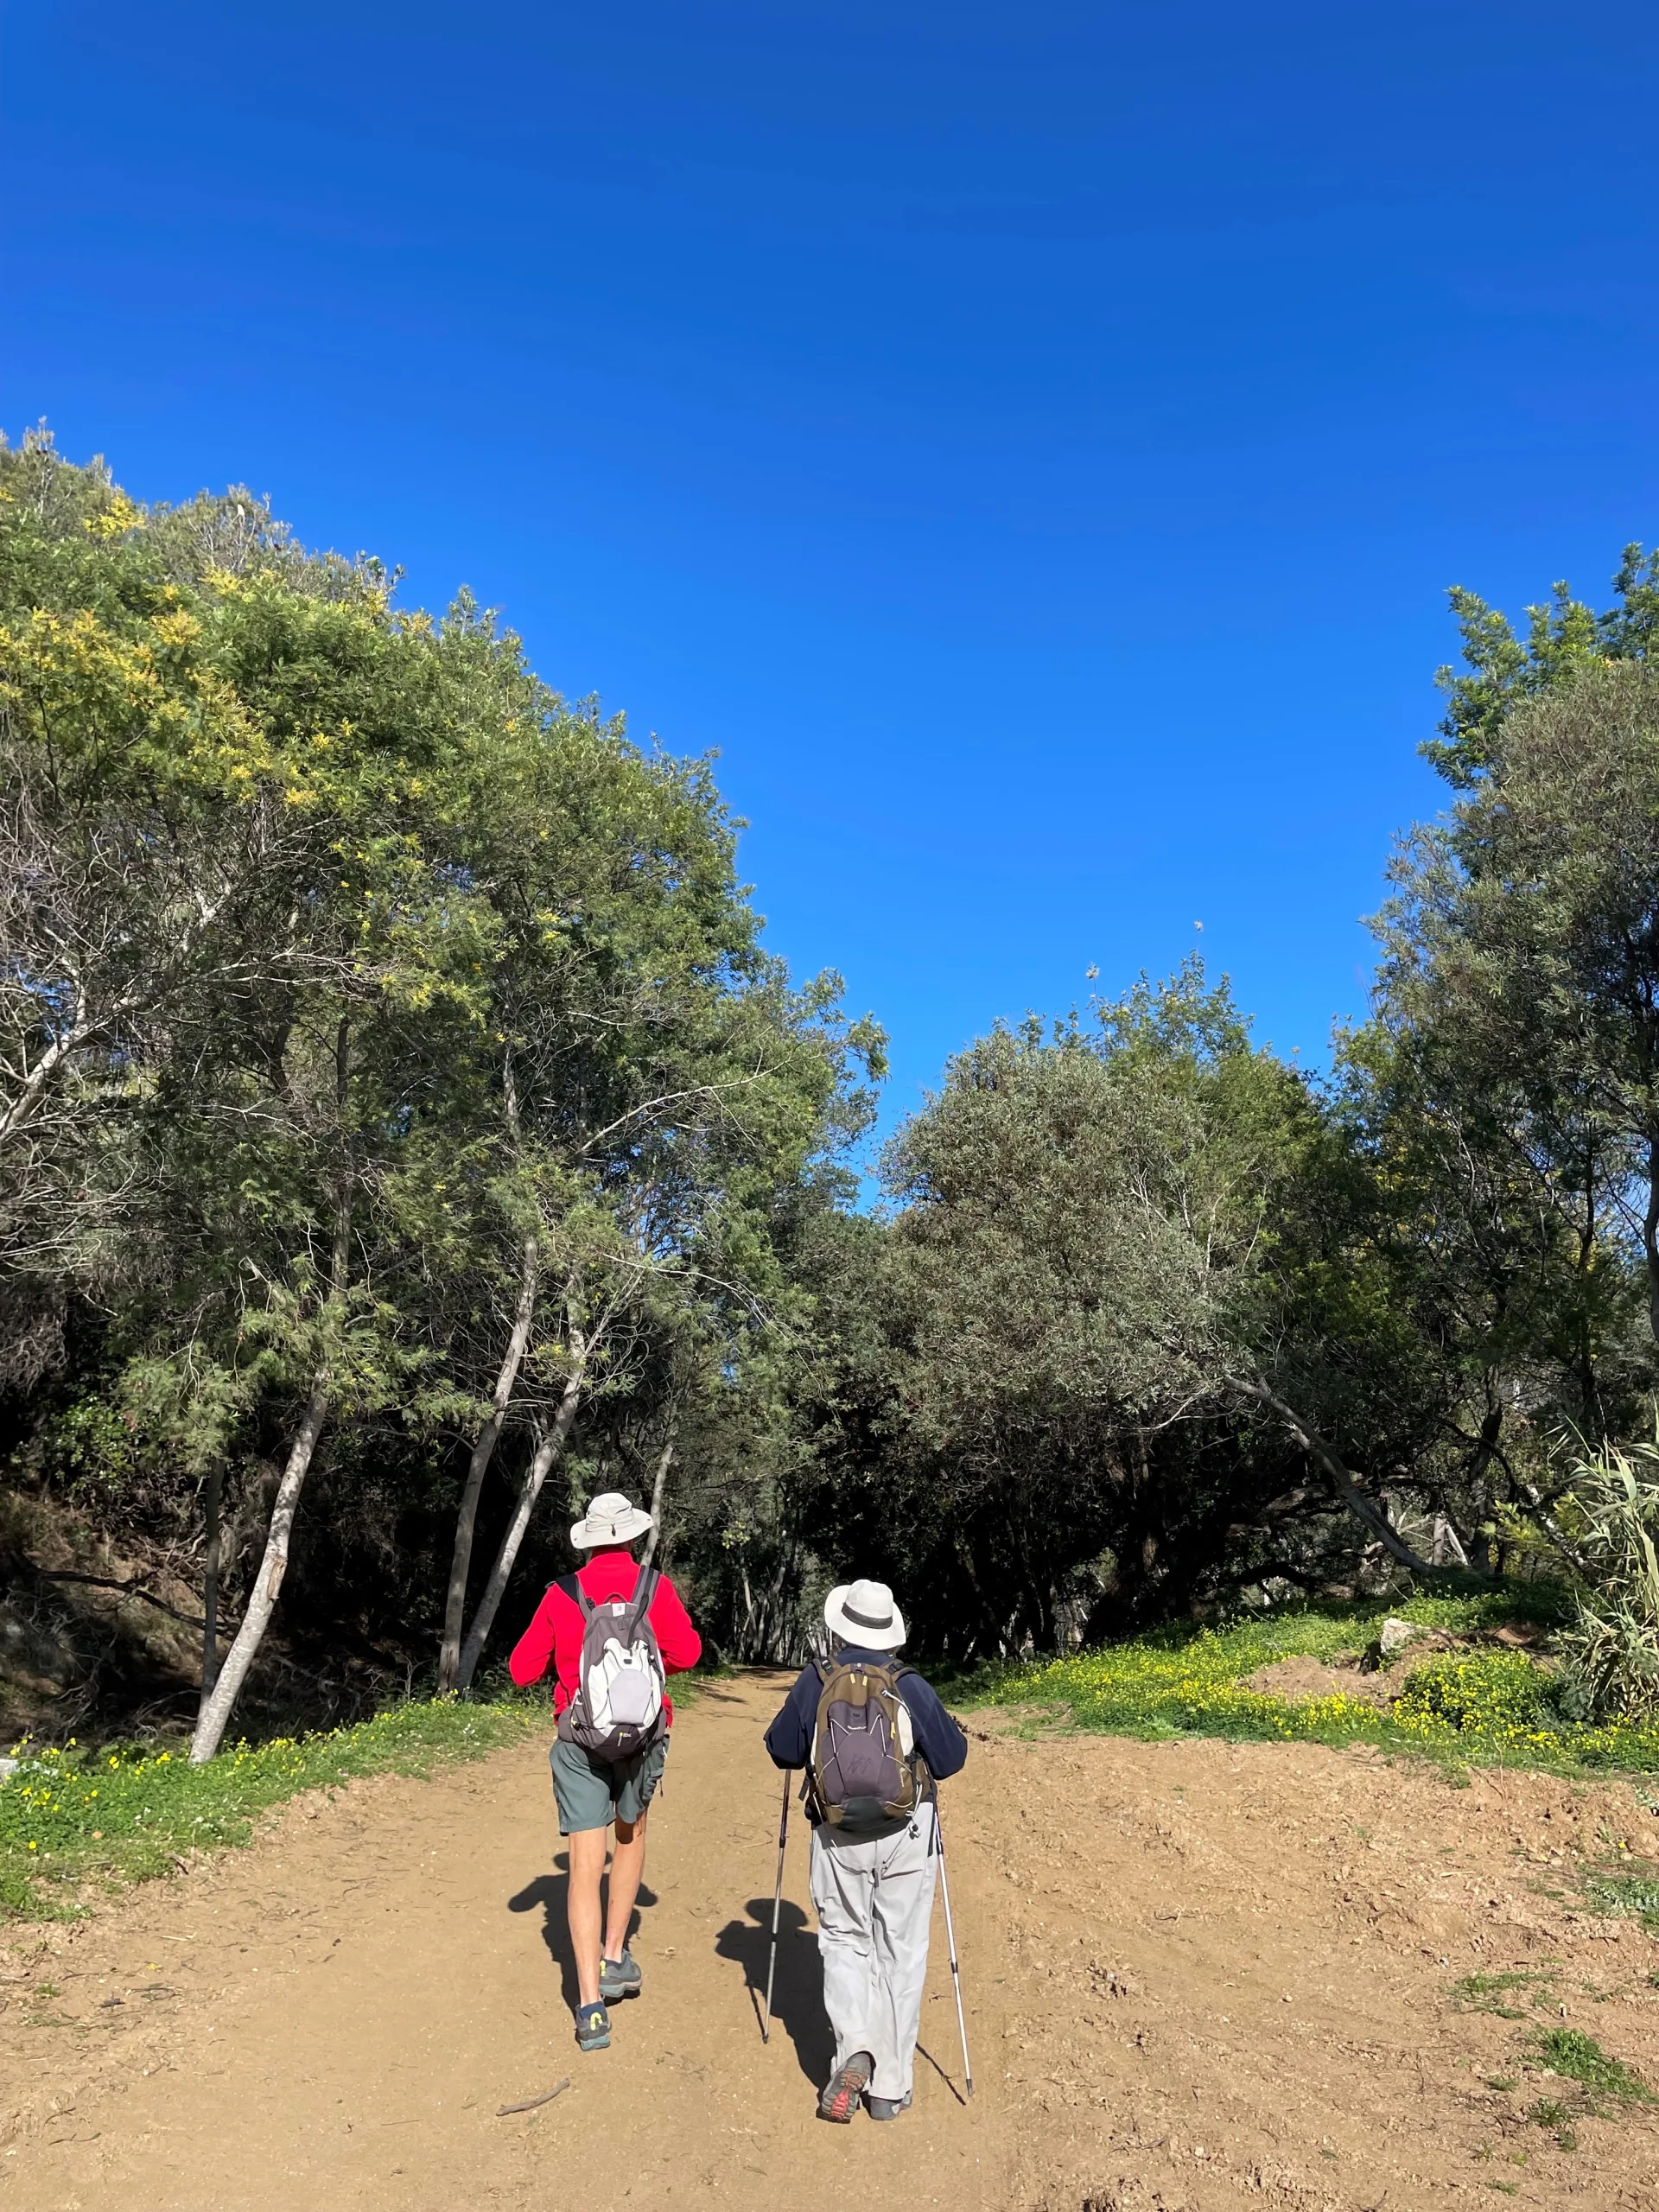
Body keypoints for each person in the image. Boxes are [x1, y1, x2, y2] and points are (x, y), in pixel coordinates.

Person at [764, 1578, 968, 2123]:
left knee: (844, 1940)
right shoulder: (910, 1684)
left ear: (840, 1626)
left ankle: (854, 2046)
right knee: (901, 1950)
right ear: (890, 1633)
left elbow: (783, 1749)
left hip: (836, 1838)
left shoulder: (816, 1680)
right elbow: (949, 1759)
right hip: (906, 1834)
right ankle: (890, 2088)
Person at [509, 1490, 702, 2052]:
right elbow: (688, 1654)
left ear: (589, 1541)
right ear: (633, 1537)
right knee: (632, 1835)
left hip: (579, 1744)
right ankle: (615, 1954)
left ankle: (591, 2007)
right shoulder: (655, 1589)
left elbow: (521, 1671)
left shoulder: (561, 1594)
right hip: (642, 1739)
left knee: (583, 1868)